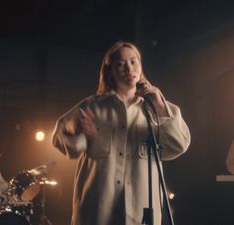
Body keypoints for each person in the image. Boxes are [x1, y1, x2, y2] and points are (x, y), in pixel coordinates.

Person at [52, 41, 191, 225]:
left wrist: (160, 106)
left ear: (140, 65)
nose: (129, 68)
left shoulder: (157, 107)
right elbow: (63, 141)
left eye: (134, 62)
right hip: (98, 210)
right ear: (110, 71)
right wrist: (73, 129)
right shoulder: (92, 106)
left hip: (141, 211)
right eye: (120, 64)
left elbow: (179, 145)